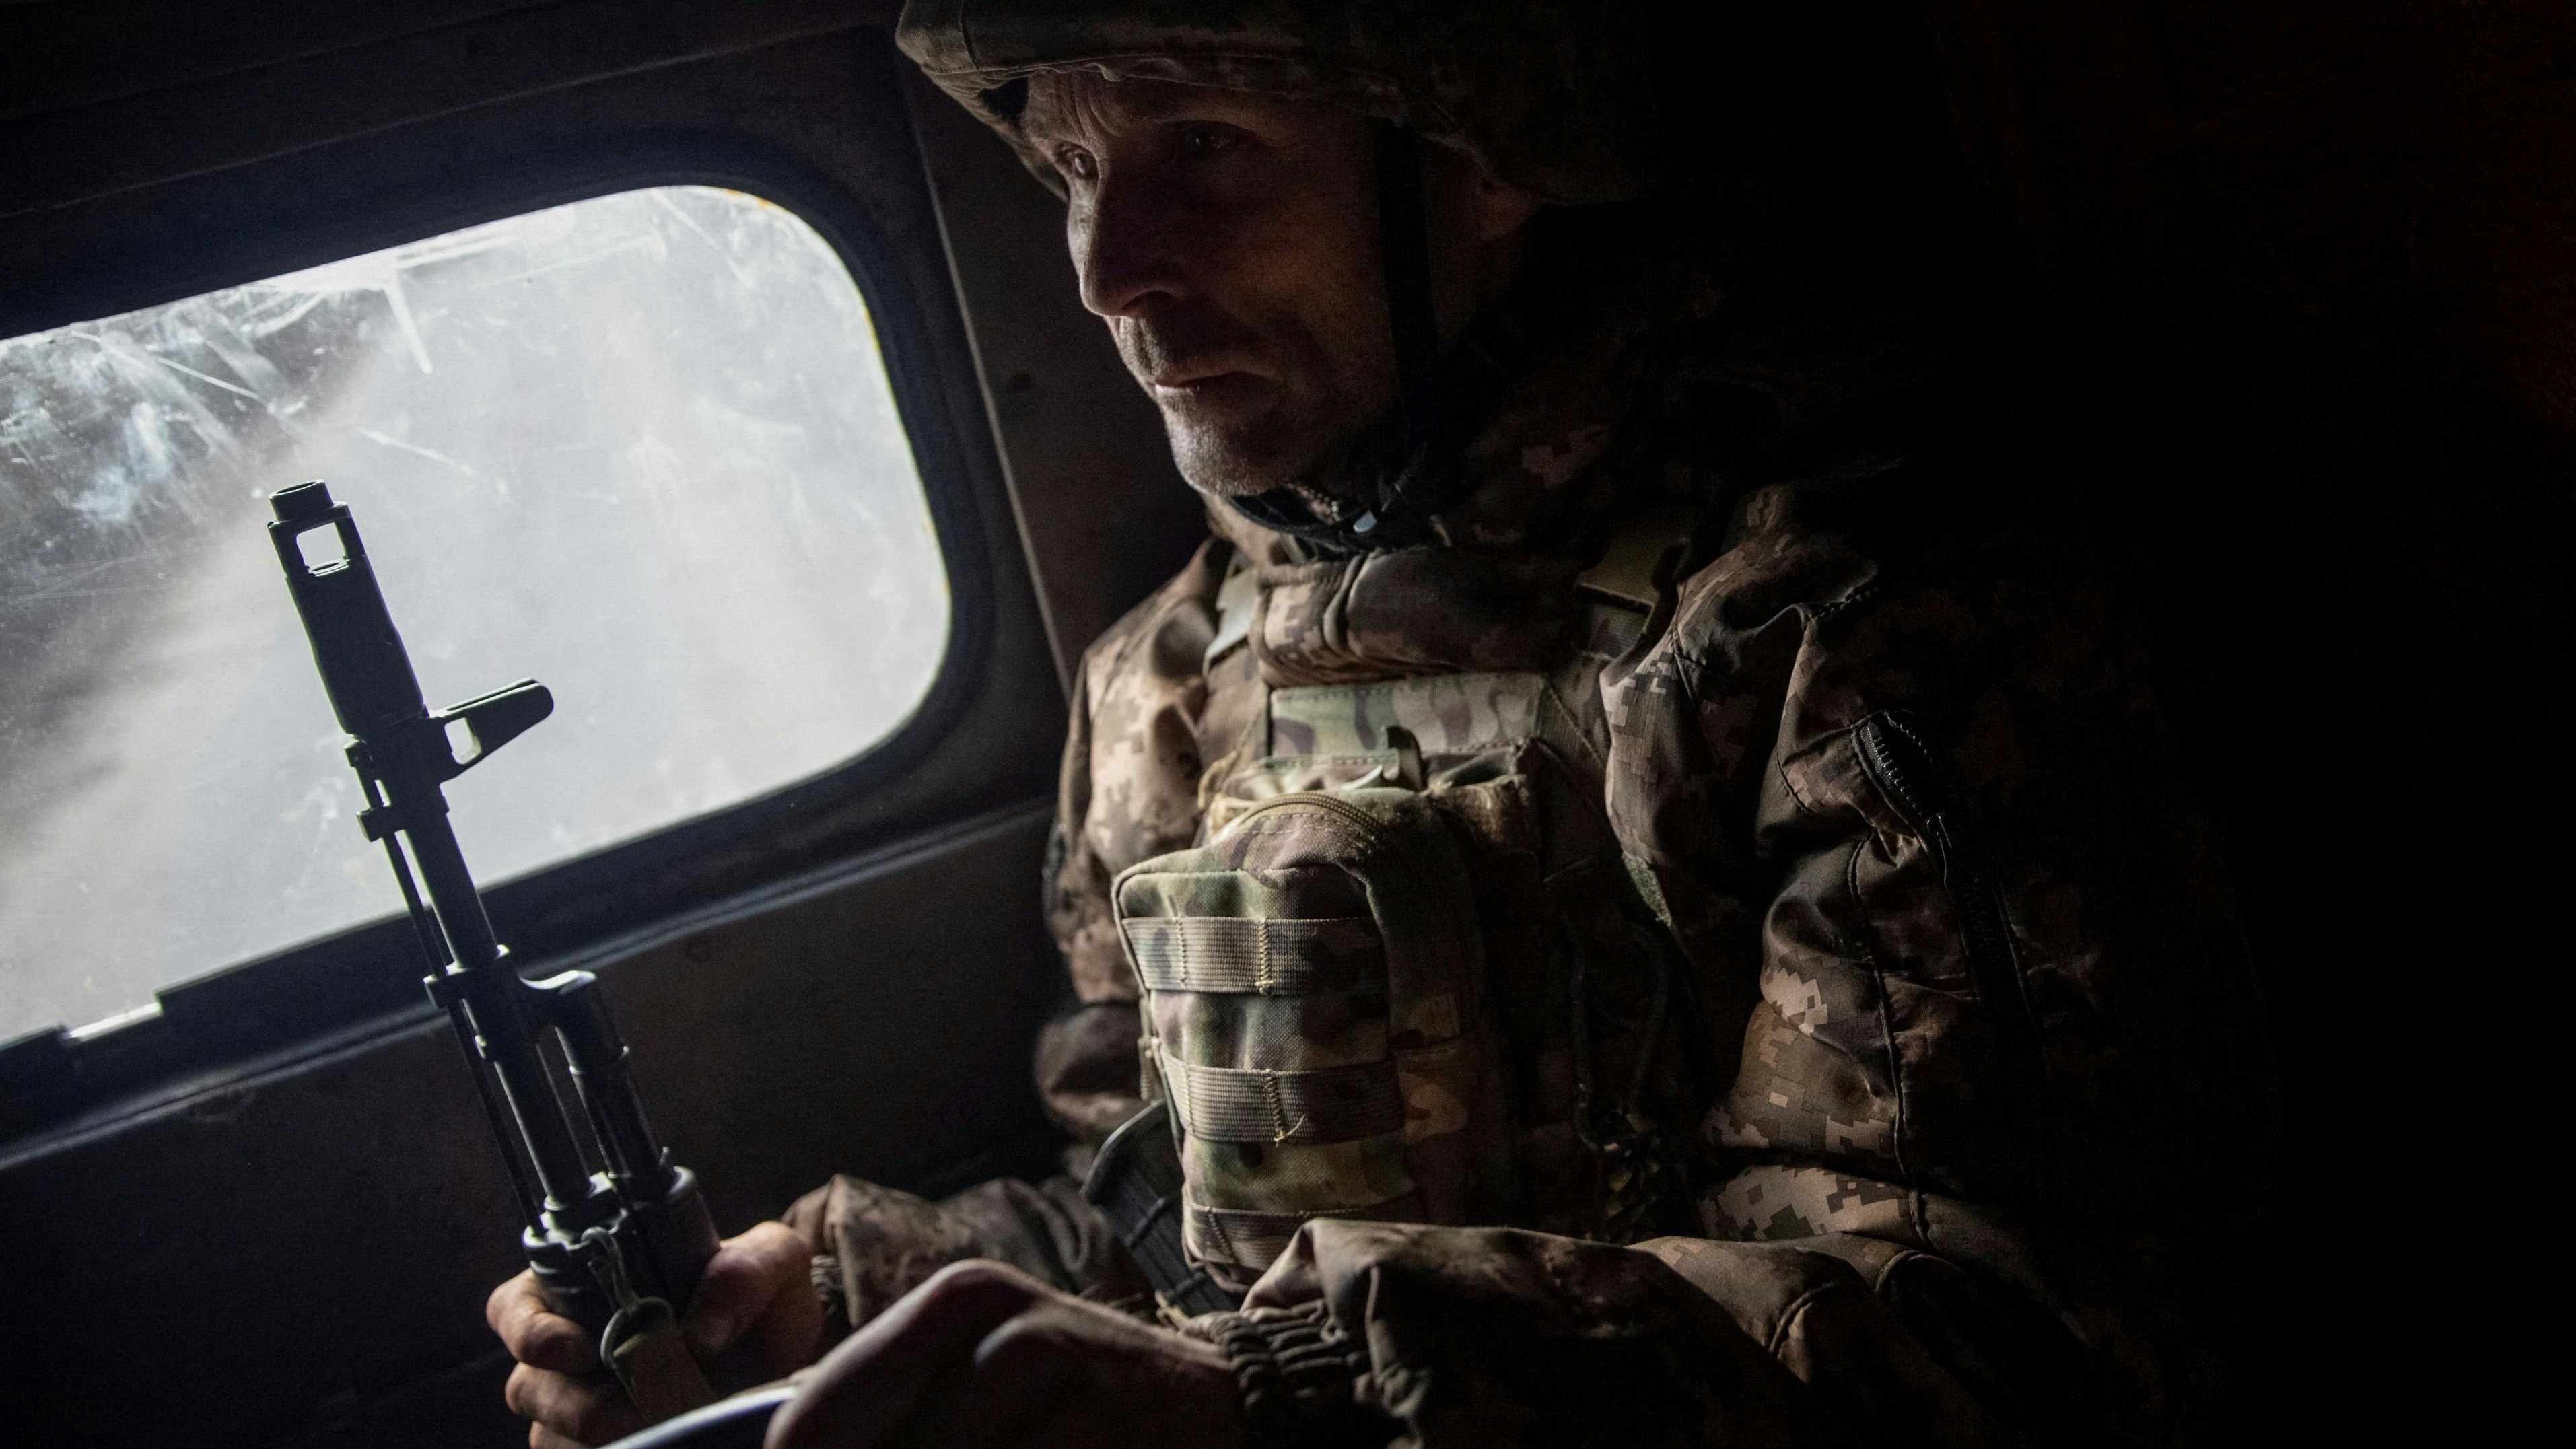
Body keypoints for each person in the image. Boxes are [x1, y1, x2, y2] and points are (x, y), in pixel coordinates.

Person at [490, 3, 2270, 1446]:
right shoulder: (1166, 677)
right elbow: (1157, 1221)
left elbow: (2024, 1342)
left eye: (1208, 153)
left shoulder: (1849, 603)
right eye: (1076, 168)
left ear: (1479, 166)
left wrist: (1285, 1404)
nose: (1110, 268)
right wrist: (838, 1296)